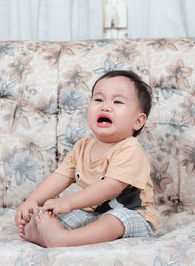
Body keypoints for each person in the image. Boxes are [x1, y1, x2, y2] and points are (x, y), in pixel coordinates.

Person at [15, 70, 158, 247]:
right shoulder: (83, 146)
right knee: (53, 215)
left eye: (117, 101)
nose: (105, 106)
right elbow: (59, 177)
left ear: (138, 121)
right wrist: (33, 200)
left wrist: (69, 201)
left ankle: (64, 239)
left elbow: (111, 187)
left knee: (115, 220)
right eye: (98, 99)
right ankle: (45, 234)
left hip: (132, 214)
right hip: (93, 213)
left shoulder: (129, 149)